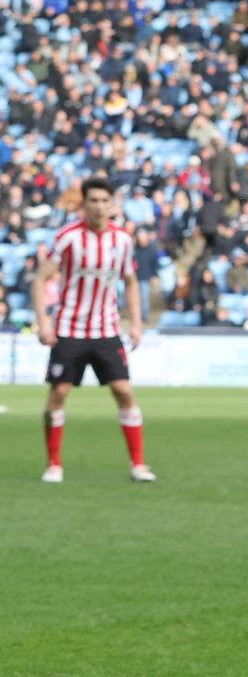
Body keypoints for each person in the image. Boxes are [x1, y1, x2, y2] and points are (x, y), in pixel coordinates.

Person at [33, 177, 153, 483]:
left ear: (112, 204)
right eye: (93, 200)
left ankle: (138, 464)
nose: (99, 206)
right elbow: (40, 279)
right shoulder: (68, 238)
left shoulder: (122, 240)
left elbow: (130, 283)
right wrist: (44, 323)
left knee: (123, 391)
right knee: (59, 393)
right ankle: (53, 464)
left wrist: (136, 323)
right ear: (84, 204)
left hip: (106, 329)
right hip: (69, 329)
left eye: (104, 201)